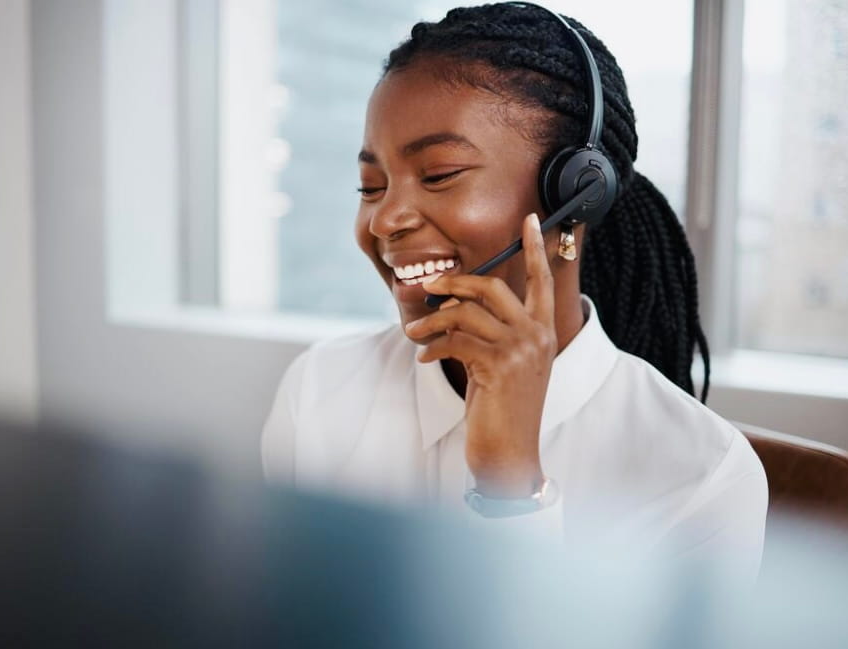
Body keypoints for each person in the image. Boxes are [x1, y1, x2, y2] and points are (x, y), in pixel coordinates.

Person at [262, 2, 766, 575]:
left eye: (438, 175)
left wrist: (510, 485)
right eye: (371, 186)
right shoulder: (320, 389)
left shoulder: (703, 474)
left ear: (576, 197)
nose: (384, 220)